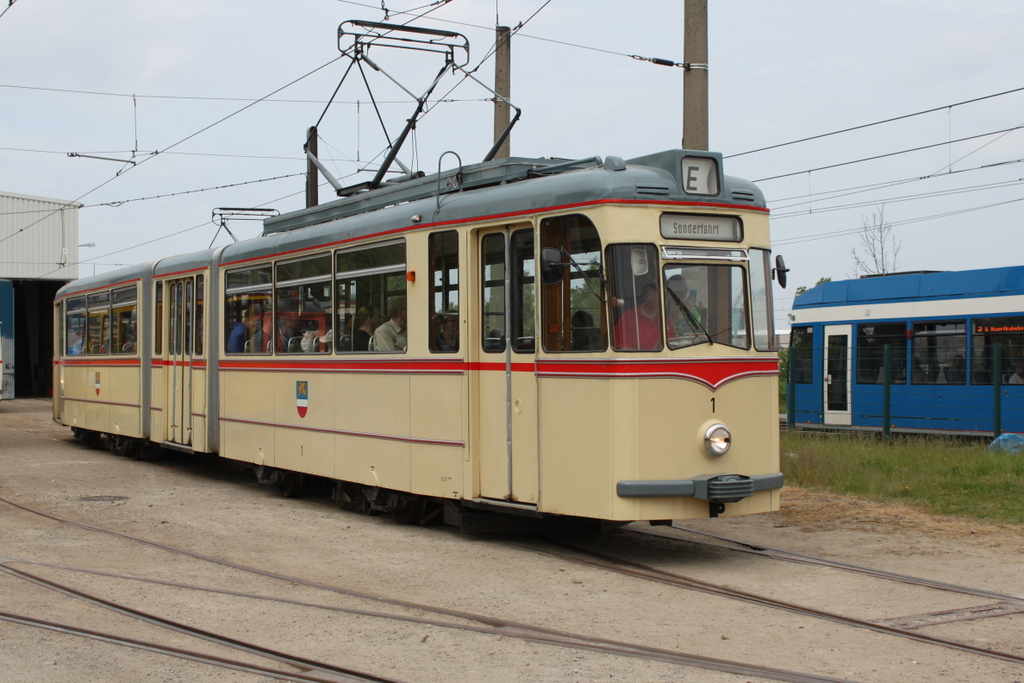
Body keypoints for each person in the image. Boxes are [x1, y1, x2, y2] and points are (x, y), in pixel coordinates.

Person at [613, 284, 661, 350]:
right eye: (664, 295)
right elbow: (624, 351)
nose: (667, 298)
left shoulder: (665, 320)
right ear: (650, 297)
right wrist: (652, 353)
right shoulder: (627, 318)